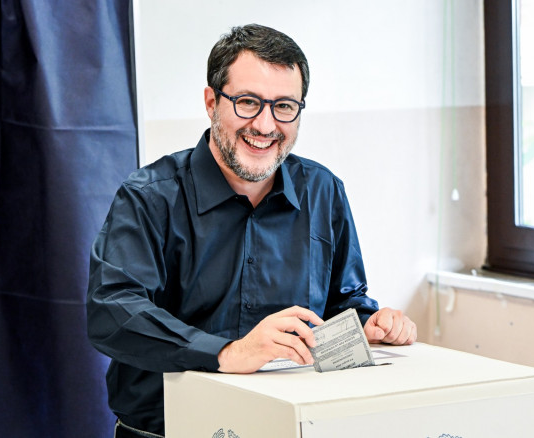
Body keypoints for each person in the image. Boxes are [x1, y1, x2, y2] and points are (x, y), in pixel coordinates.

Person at [87, 23, 417, 437]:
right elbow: (112, 312)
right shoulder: (150, 197)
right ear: (211, 102)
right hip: (166, 431)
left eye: (284, 106)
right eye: (247, 102)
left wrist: (371, 323)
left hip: (291, 428)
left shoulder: (323, 191)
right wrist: (228, 352)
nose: (265, 125)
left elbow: (342, 301)